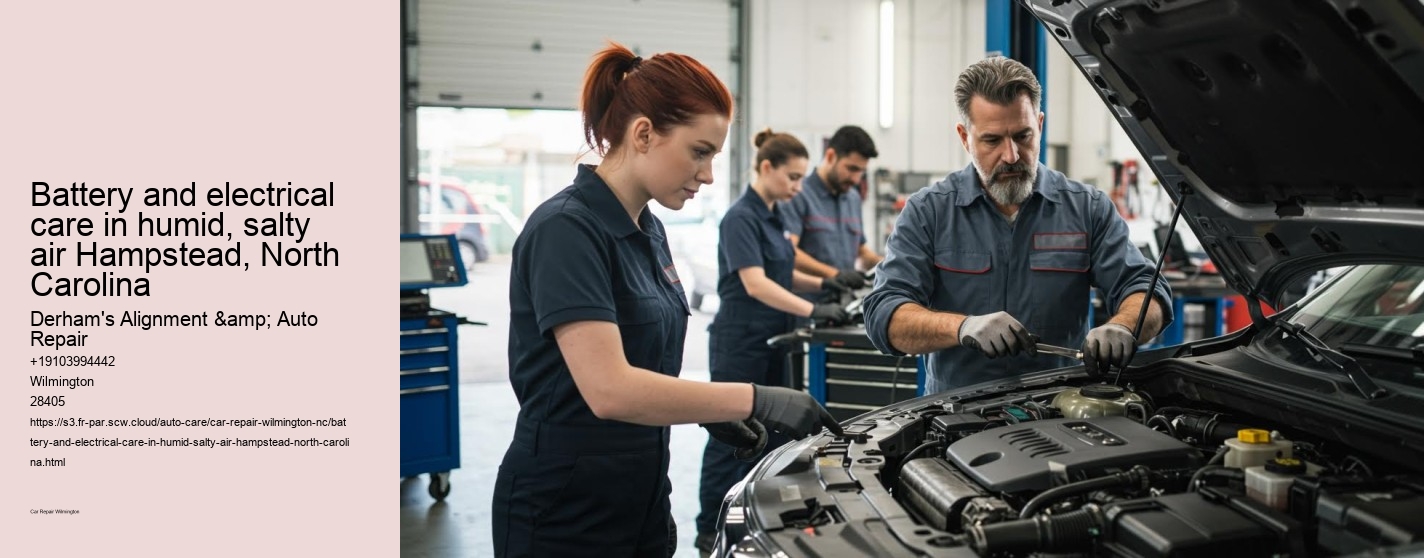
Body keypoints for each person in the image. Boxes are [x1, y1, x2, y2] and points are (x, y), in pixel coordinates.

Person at [491, 44, 843, 558]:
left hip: (642, 496)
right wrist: (752, 398)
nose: (708, 174)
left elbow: (641, 358)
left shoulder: (648, 229)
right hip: (564, 508)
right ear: (643, 134)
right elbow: (608, 389)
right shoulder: (567, 229)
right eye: (699, 152)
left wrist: (701, 411)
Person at [861, 56, 1173, 393]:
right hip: (955, 417)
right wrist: (962, 327)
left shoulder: (1087, 207)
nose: (1011, 156)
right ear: (965, 137)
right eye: (992, 141)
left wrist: (1125, 326)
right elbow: (885, 315)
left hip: (1061, 409)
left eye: (1023, 136)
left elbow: (1147, 289)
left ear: (1039, 124)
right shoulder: (928, 212)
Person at [694, 129, 851, 553]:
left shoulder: (777, 215)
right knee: (731, 436)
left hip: (772, 340)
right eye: (793, 177)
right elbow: (757, 283)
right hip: (740, 341)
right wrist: (813, 309)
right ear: (766, 168)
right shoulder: (741, 218)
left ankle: (759, 520)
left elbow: (783, 272)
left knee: (775, 433)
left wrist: (829, 280)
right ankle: (708, 528)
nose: (799, 187)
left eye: (802, 179)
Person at [779, 125, 884, 299]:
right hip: (805, 307)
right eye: (851, 169)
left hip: (842, 306)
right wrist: (835, 274)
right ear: (830, 156)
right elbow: (789, 253)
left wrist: (890, 264)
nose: (856, 179)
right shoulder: (798, 194)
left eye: (861, 172)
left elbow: (862, 253)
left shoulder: (853, 198)